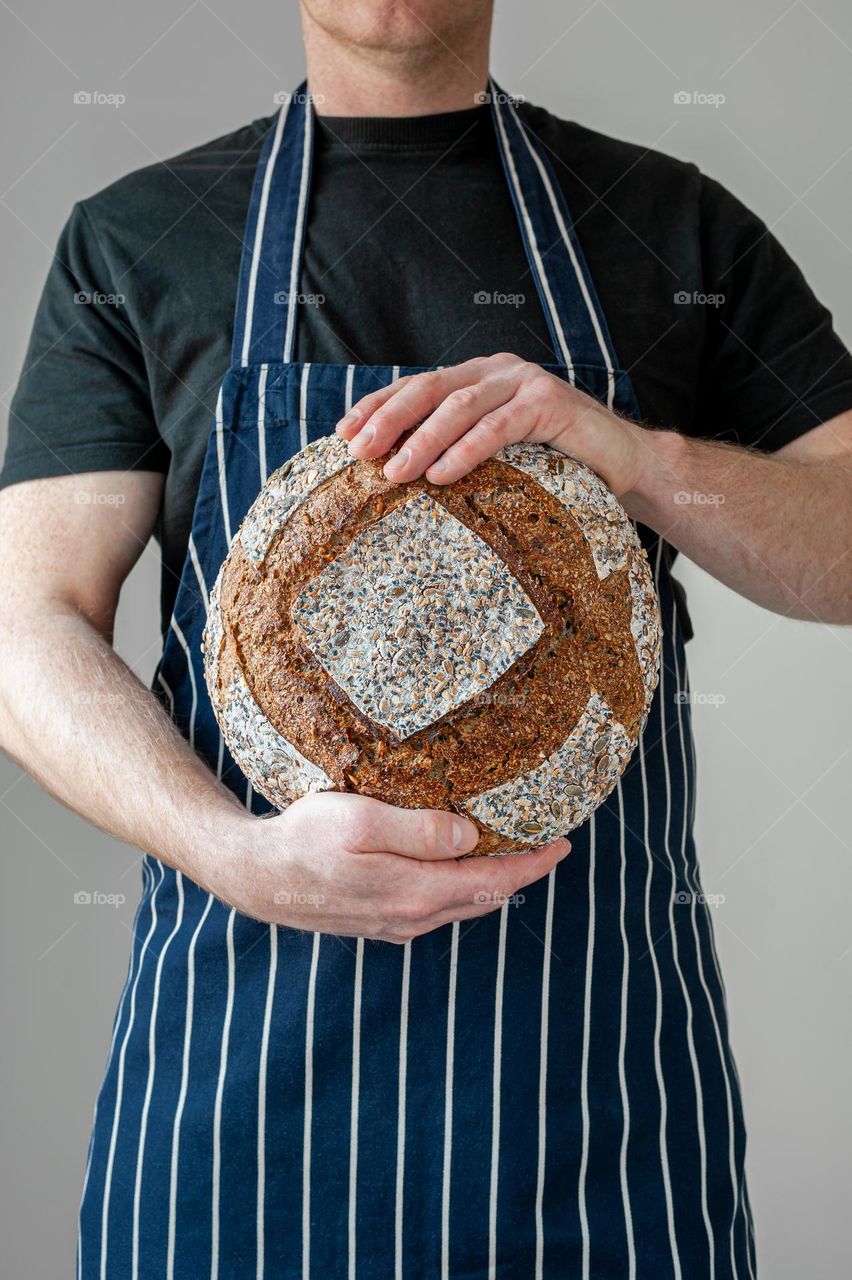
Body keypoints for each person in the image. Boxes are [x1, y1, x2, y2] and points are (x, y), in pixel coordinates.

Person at [1, 1, 851, 1276]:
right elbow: (25, 631)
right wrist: (238, 855)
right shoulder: (135, 242)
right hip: (237, 1104)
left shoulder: (673, 228)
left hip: (595, 1118)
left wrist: (647, 460)